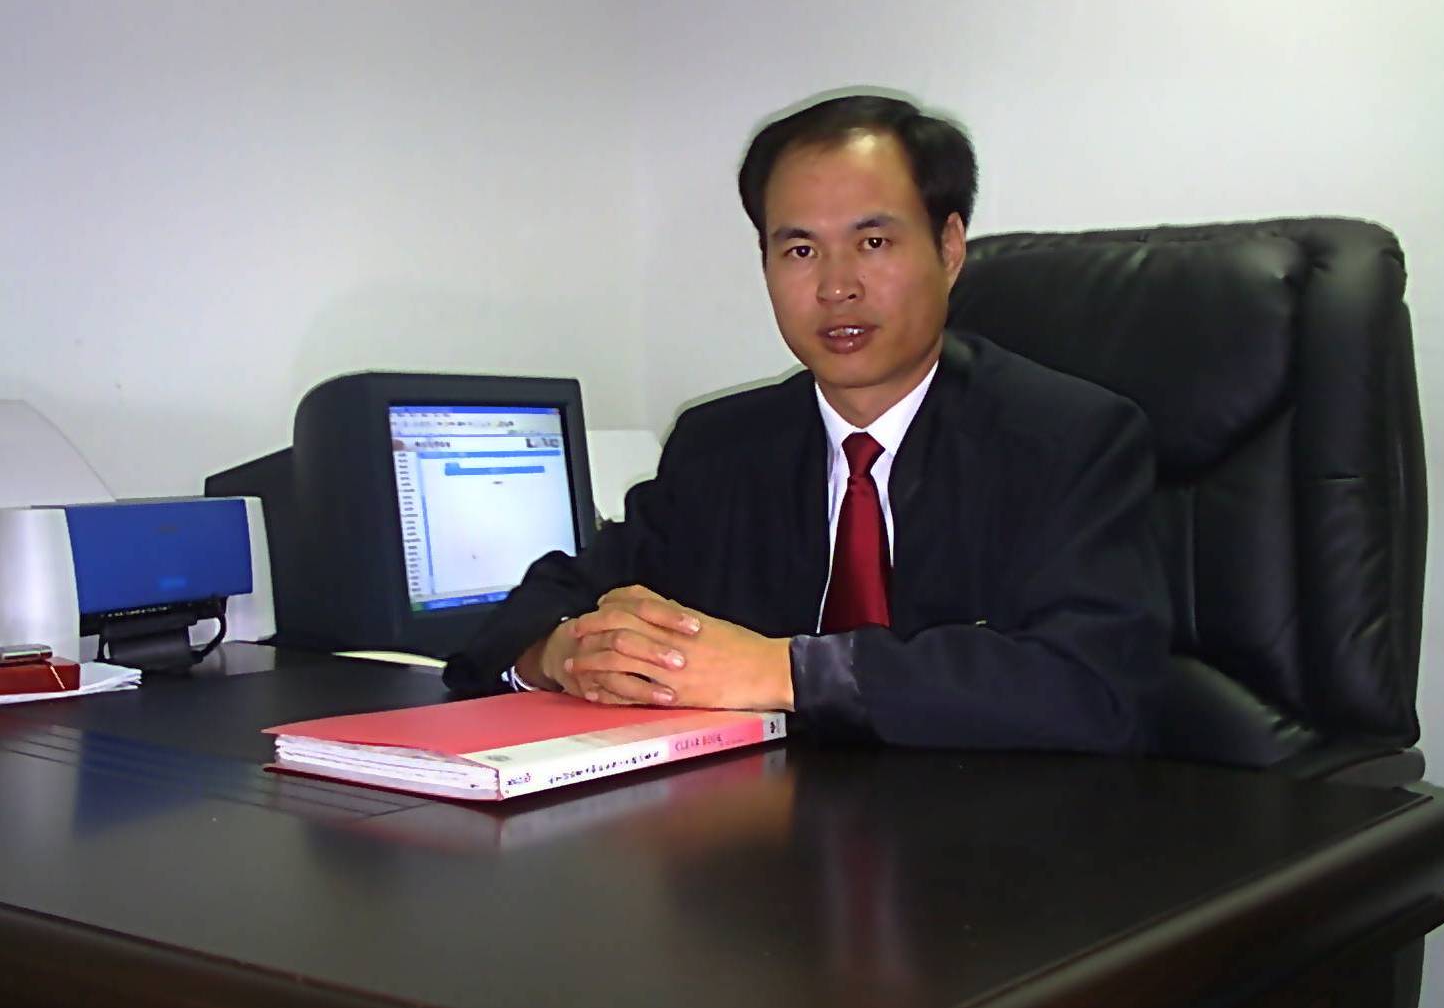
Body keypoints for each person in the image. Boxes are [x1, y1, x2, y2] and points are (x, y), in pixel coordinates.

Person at [444, 94, 1169, 751]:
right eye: (799, 250)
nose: (835, 286)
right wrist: (563, 652)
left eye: (873, 242)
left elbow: (1096, 687)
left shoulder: (1068, 439)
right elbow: (539, 604)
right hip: (758, 831)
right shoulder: (719, 446)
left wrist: (780, 669)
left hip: (986, 838)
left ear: (949, 249)